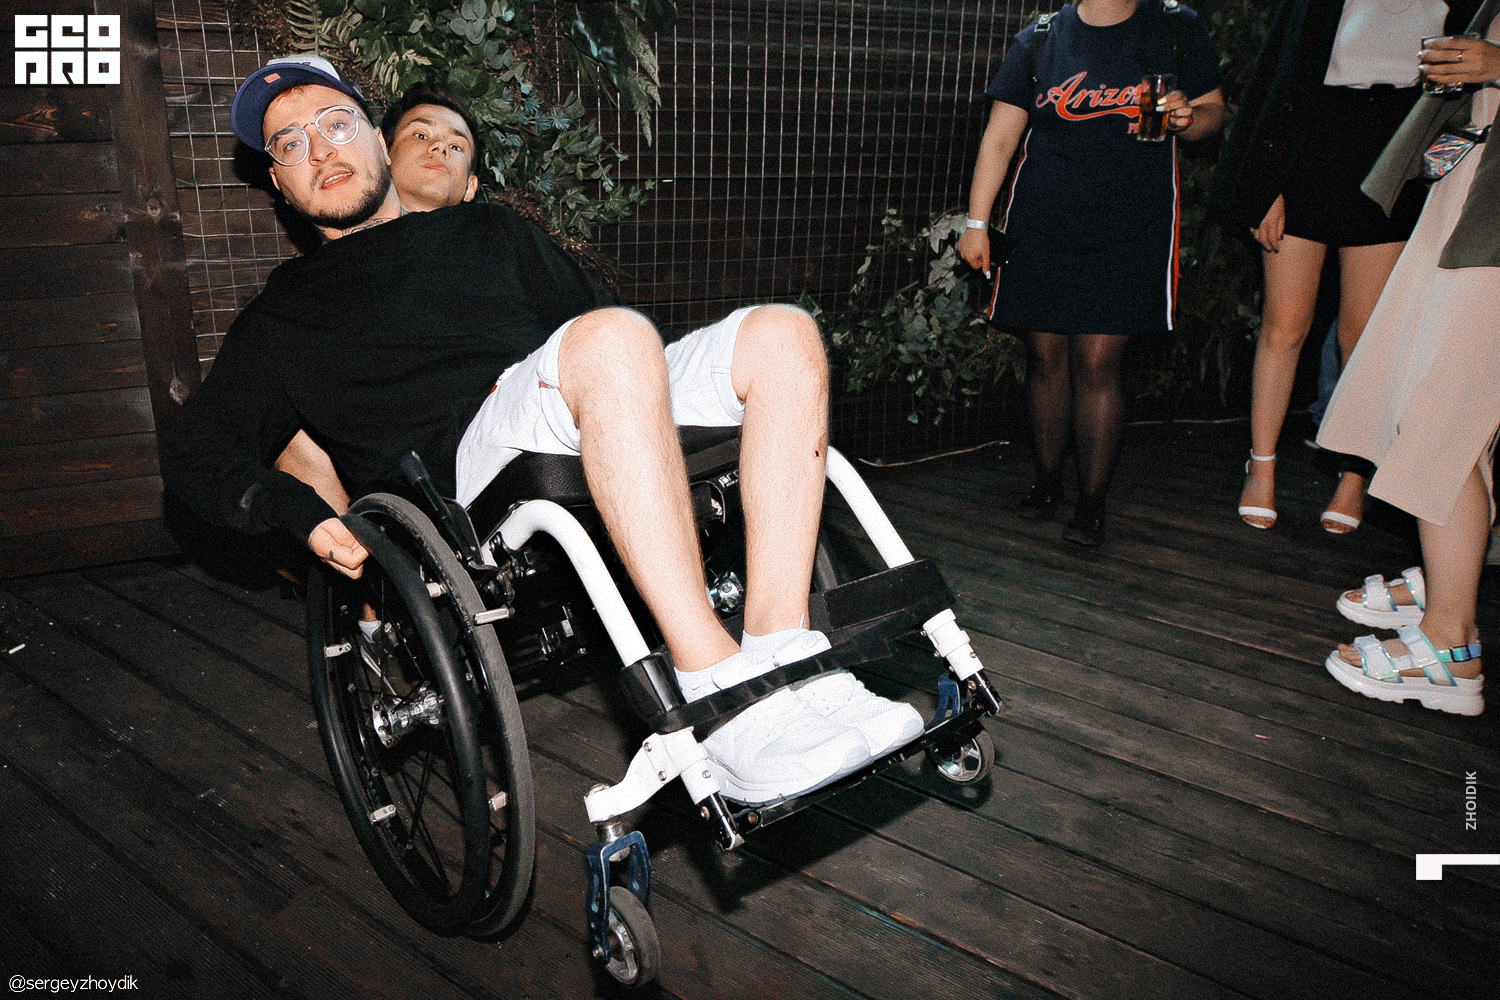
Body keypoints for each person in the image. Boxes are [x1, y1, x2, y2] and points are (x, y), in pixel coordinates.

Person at [161, 56, 925, 804]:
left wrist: (666, 388)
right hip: (462, 470)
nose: (321, 150)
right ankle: (714, 692)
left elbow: (613, 333)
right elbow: (196, 450)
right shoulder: (284, 315)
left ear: (376, 138)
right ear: (278, 182)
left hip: (573, 389)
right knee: (609, 340)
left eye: (335, 123)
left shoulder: (489, 230)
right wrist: (293, 509)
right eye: (290, 143)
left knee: (782, 335)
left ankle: (787, 656)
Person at [1209, 0, 1482, 533]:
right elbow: (1277, 78)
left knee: (1363, 334)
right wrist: (1265, 183)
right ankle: (1261, 465)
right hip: (1309, 146)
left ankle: (1354, 477)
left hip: (1395, 150)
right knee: (1285, 324)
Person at [958, 0, 1224, 546]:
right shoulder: (1040, 37)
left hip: (1132, 223)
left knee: (1099, 361)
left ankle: (1091, 503)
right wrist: (977, 223)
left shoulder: (1175, 27)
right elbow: (1001, 136)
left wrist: (1189, 119)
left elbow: (1213, 112)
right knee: (1045, 357)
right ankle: (1047, 482)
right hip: (1043, 220)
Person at [1319, 2, 1500, 716]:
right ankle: (1449, 581)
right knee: (1447, 409)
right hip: (1469, 193)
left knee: (1440, 419)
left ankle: (1451, 648)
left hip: (1491, 222)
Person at [273, 78, 482, 513]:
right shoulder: (306, 297)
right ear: (384, 152)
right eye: (420, 136)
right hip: (421, 494)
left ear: (471, 187)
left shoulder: (499, 239)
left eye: (456, 145)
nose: (439, 148)